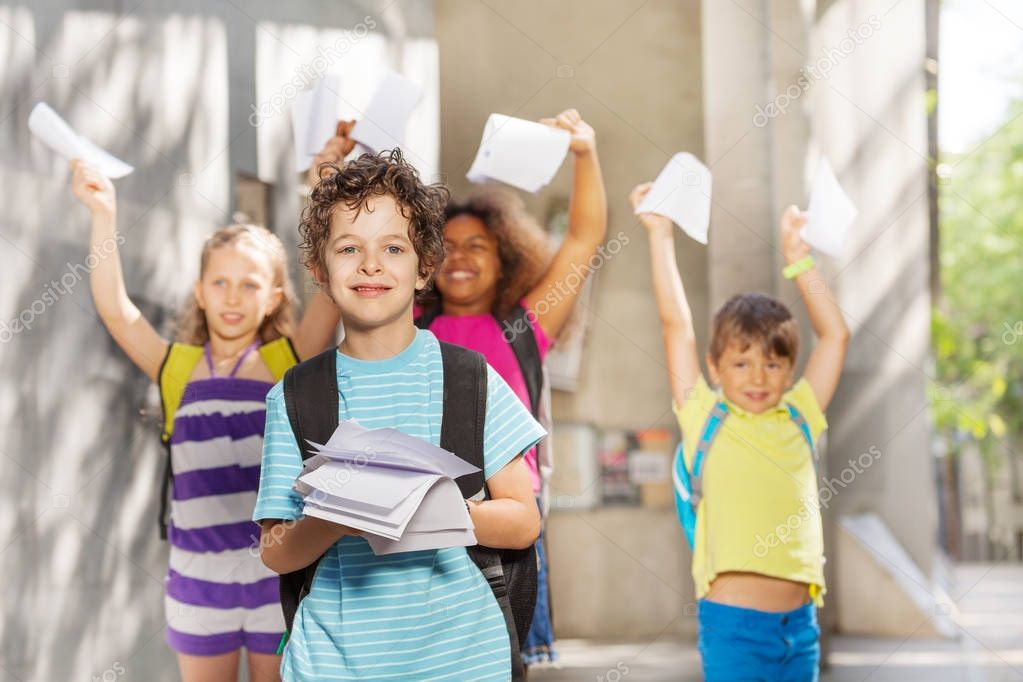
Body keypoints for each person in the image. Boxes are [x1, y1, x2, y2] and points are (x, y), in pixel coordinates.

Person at [254, 149, 546, 681]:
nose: (371, 264)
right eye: (349, 248)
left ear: (423, 269)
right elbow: (275, 550)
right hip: (332, 664)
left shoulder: (470, 380)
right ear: (320, 268)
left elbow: (524, 522)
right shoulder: (294, 395)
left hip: (464, 660)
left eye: (393, 247)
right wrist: (330, 520)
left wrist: (427, 509)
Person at [69, 160, 340, 682]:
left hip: (275, 577)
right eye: (219, 282)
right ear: (200, 291)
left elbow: (331, 291)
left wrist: (325, 195)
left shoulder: (292, 358)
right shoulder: (176, 367)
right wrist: (103, 212)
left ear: (275, 297)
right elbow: (115, 309)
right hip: (196, 584)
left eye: (249, 284)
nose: (233, 297)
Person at [631, 182, 850, 681]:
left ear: (790, 370)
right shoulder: (704, 413)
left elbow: (836, 335)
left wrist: (799, 259)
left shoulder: (800, 415)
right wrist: (660, 235)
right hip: (733, 626)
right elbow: (676, 325)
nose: (757, 377)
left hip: (801, 628)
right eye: (742, 362)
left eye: (773, 364)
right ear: (714, 367)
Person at [419, 108, 608, 666]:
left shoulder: (524, 326)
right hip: (422, 512)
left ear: (506, 262)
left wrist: (584, 153)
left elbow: (583, 236)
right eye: (446, 246)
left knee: (501, 661)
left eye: (477, 245)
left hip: (506, 518)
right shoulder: (409, 327)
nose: (460, 256)